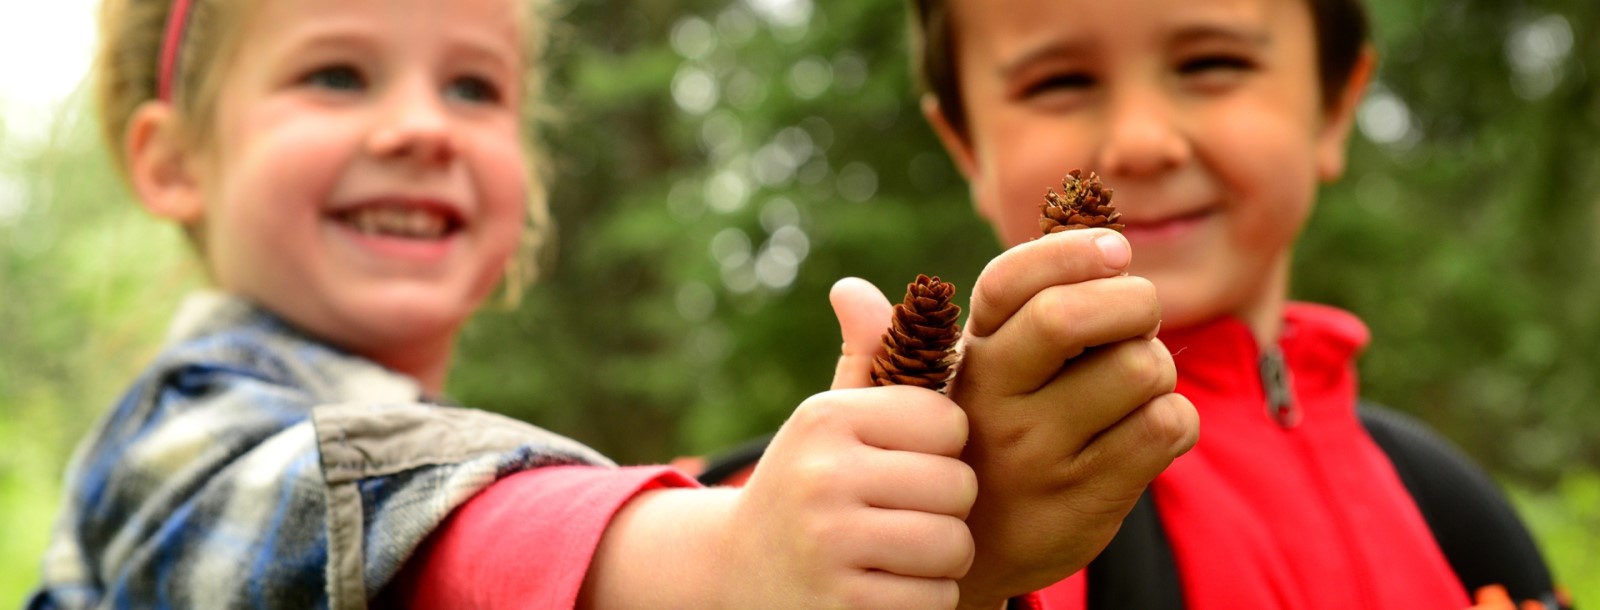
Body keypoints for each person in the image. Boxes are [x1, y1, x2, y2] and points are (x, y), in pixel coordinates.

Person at [29, 0, 1197, 607]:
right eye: (337, 72)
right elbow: (369, 514)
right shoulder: (177, 436)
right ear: (173, 159)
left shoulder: (507, 454)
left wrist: (919, 559)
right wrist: (725, 559)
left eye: (475, 87)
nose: (421, 126)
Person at [900, 0, 1569, 607]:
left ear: (1333, 109)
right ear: (967, 150)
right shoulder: (966, 519)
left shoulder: (1453, 510)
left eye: (1211, 63)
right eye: (1058, 82)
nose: (1142, 143)